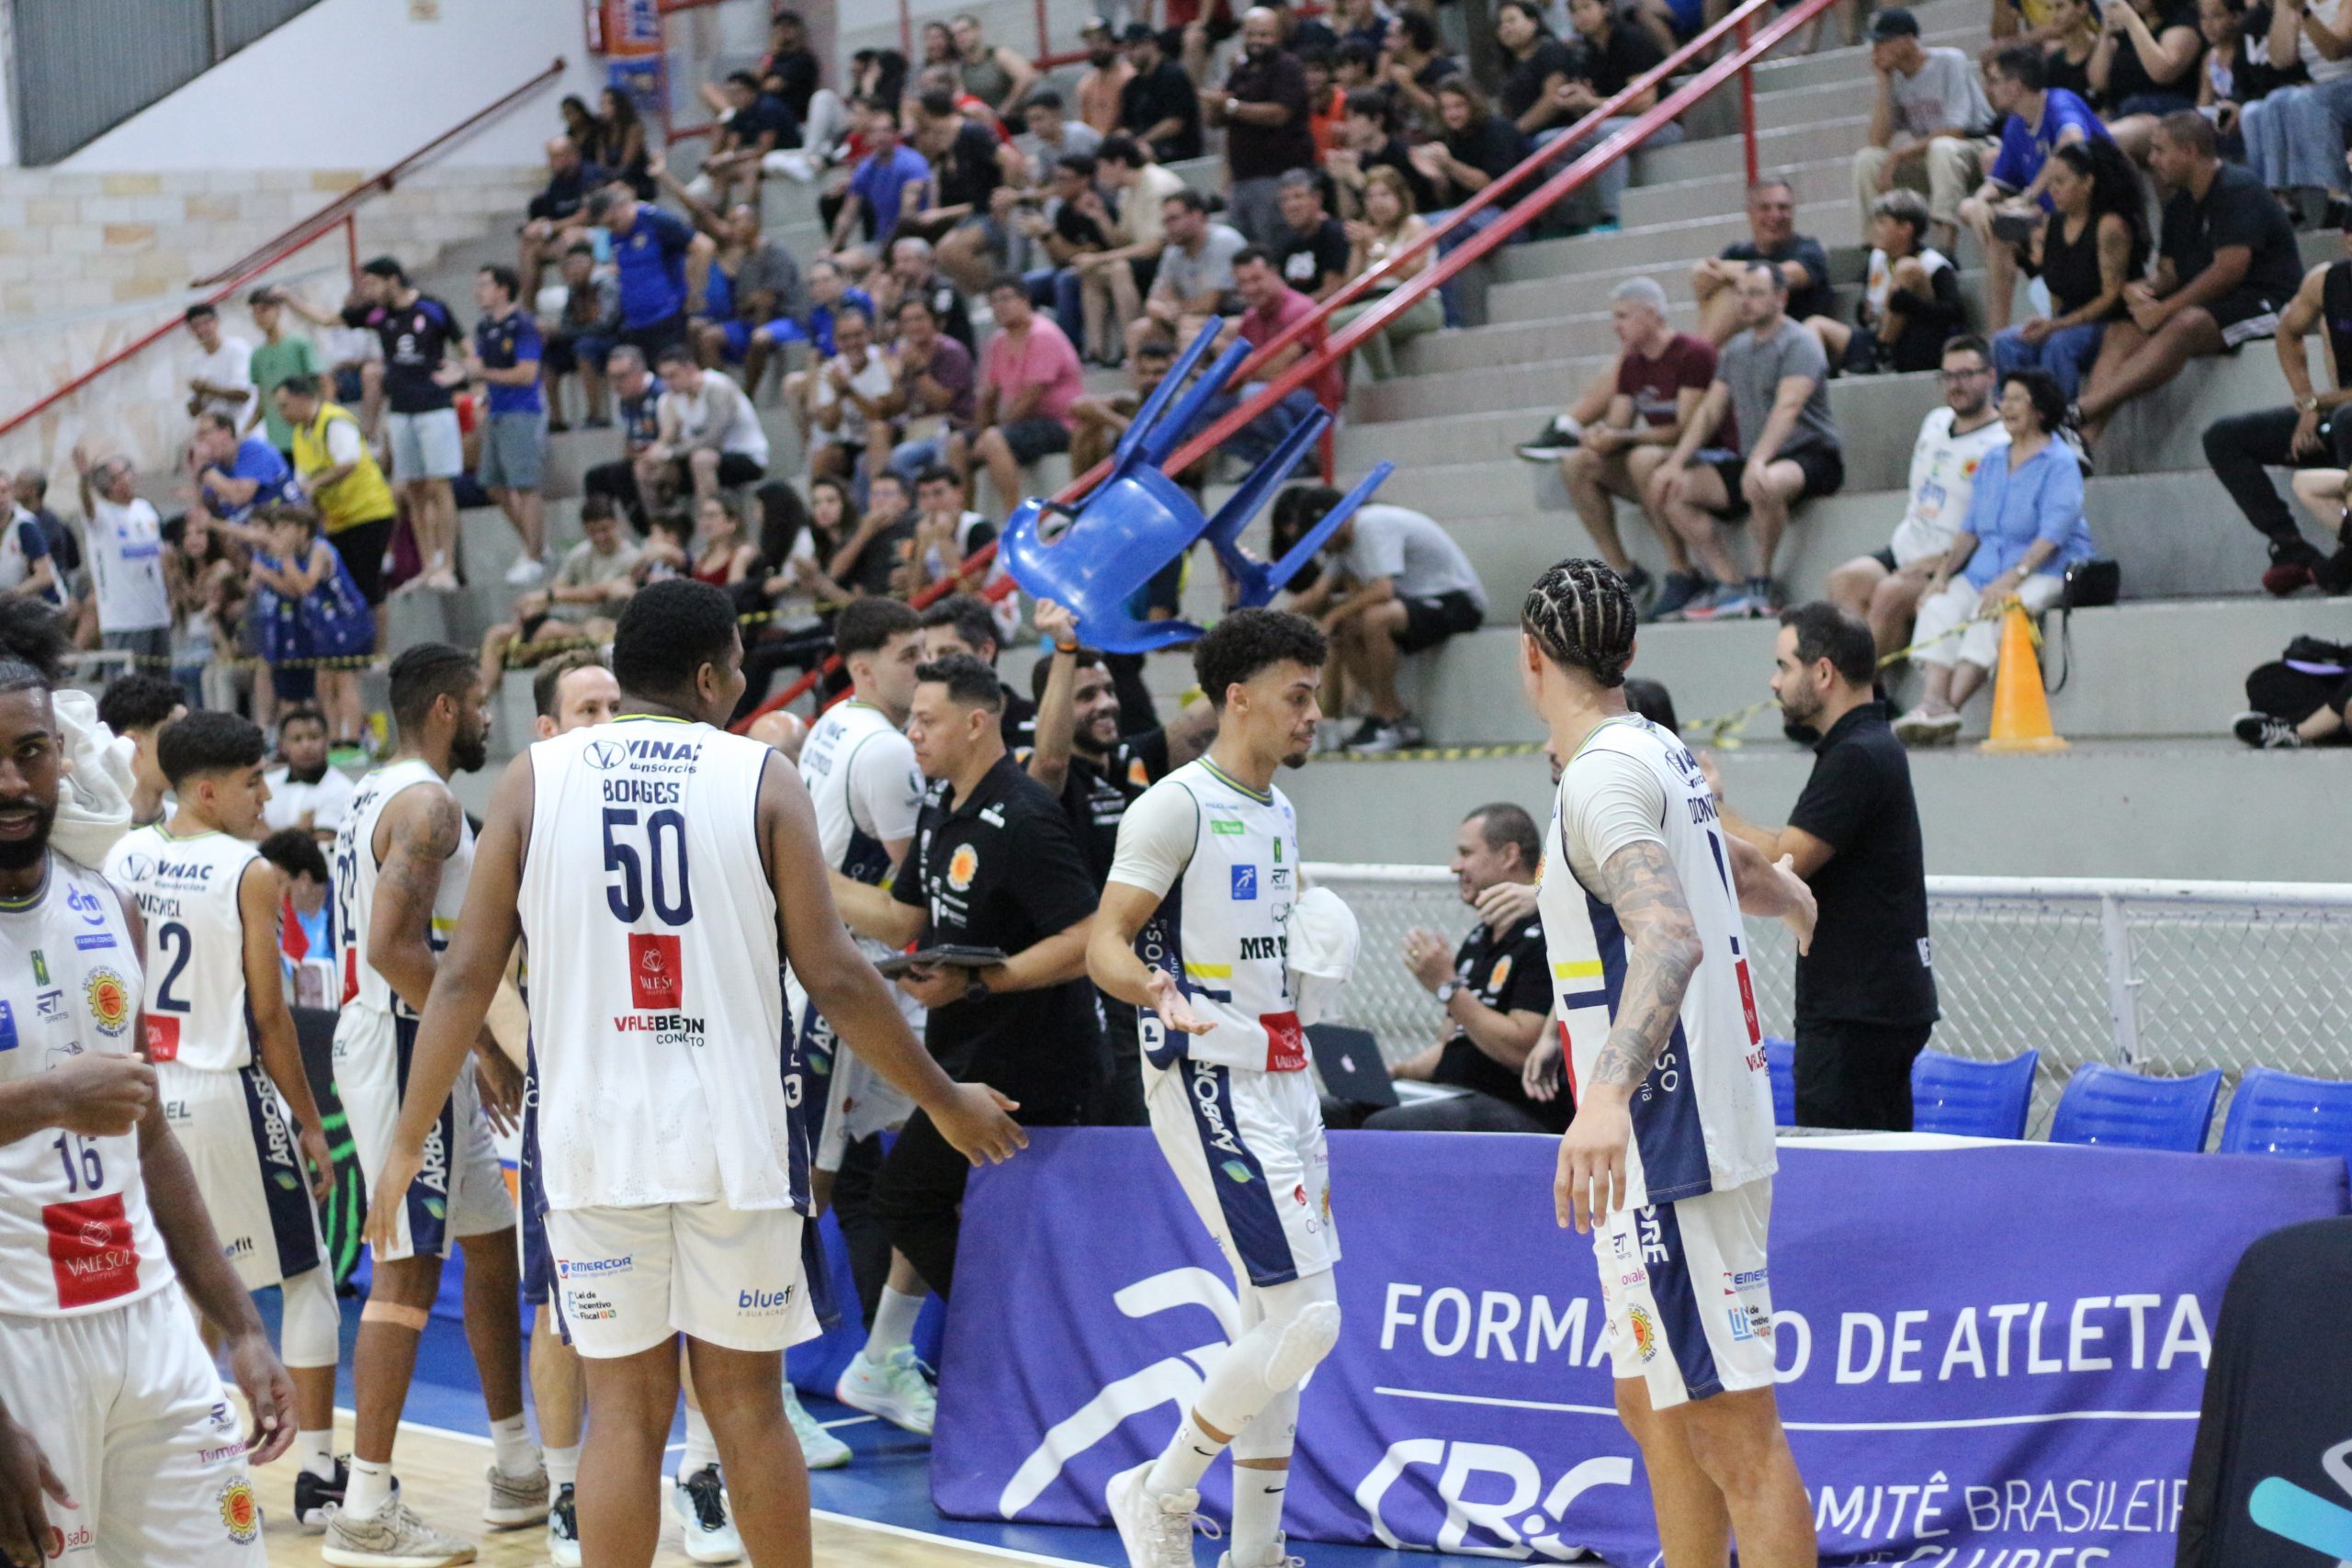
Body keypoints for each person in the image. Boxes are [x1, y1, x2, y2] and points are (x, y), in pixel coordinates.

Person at [363, 582, 1023, 1568]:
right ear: (709, 676)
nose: (744, 683)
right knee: (747, 1405)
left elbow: (460, 977)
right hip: (735, 1139)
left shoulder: (532, 780)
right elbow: (838, 974)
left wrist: (407, 1140)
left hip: (591, 1140)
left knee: (624, 1412)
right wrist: (943, 1096)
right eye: (740, 668)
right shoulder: (761, 775)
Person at [1515, 559, 1818, 1568]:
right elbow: (1717, 858)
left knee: (1735, 1435)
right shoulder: (1654, 747)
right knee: (1651, 1401)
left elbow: (1668, 936)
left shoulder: (1598, 774)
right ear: (1630, 650)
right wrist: (1785, 891)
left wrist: (1604, 1096)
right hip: (1673, 1138)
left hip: (1671, 1135)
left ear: (1529, 657)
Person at [0, 656, 298, 1568]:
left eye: (30, 752)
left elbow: (151, 1132)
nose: (11, 782)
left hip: (148, 1313)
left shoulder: (107, 904)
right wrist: (52, 1097)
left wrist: (242, 1325)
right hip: (17, 1336)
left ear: (62, 758)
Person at [1087, 609, 1341, 1568]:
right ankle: (1159, 1488)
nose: (1313, 714)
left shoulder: (1279, 809)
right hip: (1208, 1079)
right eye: (1298, 696)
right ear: (1238, 699)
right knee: (1308, 1318)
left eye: (1314, 695)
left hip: (1286, 1078)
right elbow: (1104, 941)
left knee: (1274, 1325)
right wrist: (1153, 987)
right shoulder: (1176, 805)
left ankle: (1255, 1552)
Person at [323, 645, 542, 1565]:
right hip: (403, 1040)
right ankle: (364, 1507)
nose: (489, 718)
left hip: (414, 1038)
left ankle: (518, 1465)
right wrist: (483, 1043)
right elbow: (392, 947)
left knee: (490, 1244)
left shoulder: (375, 790)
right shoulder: (430, 806)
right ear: (448, 707)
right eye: (481, 702)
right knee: (407, 1270)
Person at [102, 711, 345, 1519]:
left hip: (141, 1094)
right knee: (307, 1278)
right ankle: (320, 1475)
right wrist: (309, 1120)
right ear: (207, 790)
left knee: (185, 1289)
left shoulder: (122, 853)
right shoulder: (250, 870)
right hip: (221, 1090)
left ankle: (190, 1469)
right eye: (252, 781)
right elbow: (271, 1017)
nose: (265, 795)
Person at [821, 653, 1101, 1304]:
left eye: (927, 721)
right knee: (939, 1205)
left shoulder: (1025, 816)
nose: (912, 734)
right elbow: (903, 918)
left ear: (976, 723)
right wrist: (804, 870)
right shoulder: (942, 804)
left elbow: (1088, 940)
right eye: (911, 721)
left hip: (1030, 1067)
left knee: (906, 1197)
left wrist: (977, 984)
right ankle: (992, 1335)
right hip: (967, 1050)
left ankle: (1012, 1330)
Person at [786, 599, 939, 1442]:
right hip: (834, 983)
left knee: (925, 1146)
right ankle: (771, 1383)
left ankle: (882, 1354)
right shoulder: (883, 747)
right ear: (862, 667)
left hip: (865, 979)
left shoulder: (833, 724)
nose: (923, 666)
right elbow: (918, 900)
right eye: (908, 655)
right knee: (807, 1184)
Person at [1706, 604, 1938, 1127]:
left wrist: (1706, 804)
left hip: (1858, 1013)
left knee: (1845, 1163)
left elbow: (1783, 860)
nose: (1774, 682)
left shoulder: (1858, 755)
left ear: (1824, 672)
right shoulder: (1863, 747)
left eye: (1784, 666)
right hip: (1867, 1006)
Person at [1026, 600, 1217, 1126]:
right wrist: (1064, 646)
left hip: (1158, 970)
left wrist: (1238, 623)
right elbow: (1051, 759)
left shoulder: (1137, 758)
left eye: (1109, 690)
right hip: (1090, 980)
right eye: (1086, 696)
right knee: (1124, 1115)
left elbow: (1212, 714)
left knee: (1174, 1114)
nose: (1106, 704)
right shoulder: (1046, 779)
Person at [1894, 368, 2098, 743]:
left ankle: (1948, 709)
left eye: (2017, 399)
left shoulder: (2060, 462)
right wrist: (1941, 577)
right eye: (2004, 399)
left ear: (2040, 410)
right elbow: (1970, 528)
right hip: (1985, 570)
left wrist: (2012, 578)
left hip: (2044, 570)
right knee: (1938, 605)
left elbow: (2053, 533)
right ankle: (1931, 702)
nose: (2006, 407)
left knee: (1996, 611)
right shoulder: (1991, 460)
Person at [2075, 112, 2302, 447]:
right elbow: (2169, 272)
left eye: (2160, 150)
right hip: (2213, 303)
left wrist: (2164, 310)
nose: (2152, 160)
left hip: (2265, 300)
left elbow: (2229, 272)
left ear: (2190, 151)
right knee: (2122, 331)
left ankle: (2084, 408)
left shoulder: (2237, 190)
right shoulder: (2179, 203)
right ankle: (2084, 440)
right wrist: (2145, 290)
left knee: (2185, 323)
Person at [1651, 262, 1846, 619]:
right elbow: (1710, 410)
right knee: (1670, 490)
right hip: (1755, 456)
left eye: (1755, 293)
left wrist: (1758, 460)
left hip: (1811, 455)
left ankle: (1762, 580)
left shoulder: (1800, 342)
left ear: (1780, 298)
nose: (1744, 301)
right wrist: (1675, 463)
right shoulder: (1736, 349)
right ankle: (1730, 582)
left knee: (1763, 482)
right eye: (1740, 293)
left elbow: (1788, 407)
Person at [1521, 276, 1721, 616]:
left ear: (1652, 313)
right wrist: (1598, 436)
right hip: (1659, 457)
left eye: (1623, 316)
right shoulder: (1631, 362)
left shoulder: (1692, 353)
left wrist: (1624, 438)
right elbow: (1619, 423)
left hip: (1705, 457)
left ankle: (1682, 570)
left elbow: (1687, 429)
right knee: (1578, 463)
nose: (1616, 325)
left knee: (1643, 459)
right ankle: (1625, 572)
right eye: (1614, 317)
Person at [1368, 803, 1565, 1132]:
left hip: (1519, 1106)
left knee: (1386, 1127)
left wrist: (1448, 986)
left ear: (1509, 855)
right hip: (1457, 1096)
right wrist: (1399, 1072)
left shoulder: (1546, 935)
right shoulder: (1478, 939)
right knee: (1336, 1111)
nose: (1454, 866)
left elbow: (1522, 1051)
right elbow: (1455, 1042)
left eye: (1466, 853)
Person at [1827, 335, 2008, 656]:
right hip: (1907, 546)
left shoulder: (2002, 442)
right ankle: (1867, 676)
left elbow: (1995, 524)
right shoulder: (1935, 421)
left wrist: (1940, 564)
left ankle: (1860, 683)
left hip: (1956, 559)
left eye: (1966, 374)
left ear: (1991, 376)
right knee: (1844, 581)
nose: (1956, 385)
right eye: (1948, 376)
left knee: (1890, 594)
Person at [1273, 487, 1487, 751]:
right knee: (1345, 629)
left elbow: (1383, 590)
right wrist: (1272, 623)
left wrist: (1333, 615)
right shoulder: (1341, 545)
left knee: (1375, 618)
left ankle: (1386, 716)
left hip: (1456, 600)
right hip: (1415, 603)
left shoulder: (1372, 526)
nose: (1322, 547)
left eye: (1322, 538)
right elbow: (1317, 594)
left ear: (1340, 521)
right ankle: (1394, 716)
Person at [2205, 214, 2352, 593]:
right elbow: (2287, 331)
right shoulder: (2326, 282)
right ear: (2347, 241)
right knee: (2224, 438)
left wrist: (2316, 403)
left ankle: (2347, 554)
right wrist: (2305, 400)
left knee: (2347, 419)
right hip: (2336, 419)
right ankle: (2291, 546)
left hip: (2343, 418)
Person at [1988, 136, 2149, 405]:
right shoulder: (2054, 223)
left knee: (2059, 345)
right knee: (2006, 342)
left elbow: (2112, 296)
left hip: (2106, 322)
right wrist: (2050, 322)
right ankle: (2010, 415)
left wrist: (2057, 326)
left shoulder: (2109, 226)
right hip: (2067, 319)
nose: (2053, 190)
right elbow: (2056, 285)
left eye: (2061, 182)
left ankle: (2057, 419)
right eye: (2051, 182)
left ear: (2087, 182)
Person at [1958, 46, 2109, 333]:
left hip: (2098, 209)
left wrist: (2029, 196)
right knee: (1983, 219)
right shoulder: (2015, 125)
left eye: (1994, 80)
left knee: (2007, 226)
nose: (1988, 89)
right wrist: (1979, 202)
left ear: (2015, 86)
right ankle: (1996, 337)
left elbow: (2072, 141)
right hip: (2052, 219)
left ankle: (2053, 324)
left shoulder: (2060, 102)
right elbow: (1997, 182)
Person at [346, 256, 465, 592]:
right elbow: (332, 319)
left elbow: (466, 347)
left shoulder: (432, 308)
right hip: (400, 409)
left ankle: (448, 564)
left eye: (373, 282)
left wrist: (463, 371)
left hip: (434, 407)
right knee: (413, 489)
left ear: (393, 279)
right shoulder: (379, 315)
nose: (369, 290)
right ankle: (429, 565)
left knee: (439, 485)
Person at [1853, 7, 2000, 252]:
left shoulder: (1949, 61)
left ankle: (1946, 245)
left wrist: (1899, 154)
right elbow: (1877, 140)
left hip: (1977, 149)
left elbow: (1956, 130)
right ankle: (1875, 247)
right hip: (1931, 156)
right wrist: (1884, 82)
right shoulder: (1895, 78)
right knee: (1867, 159)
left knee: (1942, 148)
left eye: (1883, 41)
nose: (1876, 49)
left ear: (1908, 39)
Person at [1807, 188, 1967, 376]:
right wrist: (1864, 312)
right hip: (1874, 338)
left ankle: (1884, 354)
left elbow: (1955, 314)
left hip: (1916, 343)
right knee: (1815, 324)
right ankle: (1815, 381)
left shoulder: (1934, 264)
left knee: (1907, 268)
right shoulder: (1877, 258)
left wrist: (1910, 304)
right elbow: (1868, 308)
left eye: (1882, 222)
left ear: (1905, 229)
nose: (1875, 228)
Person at [1551, 0, 1679, 231]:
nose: (1581, 15)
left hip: (1662, 123)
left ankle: (1614, 216)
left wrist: (1589, 102)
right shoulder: (1586, 51)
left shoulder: (1630, 38)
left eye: (1587, 7)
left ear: (1605, 8)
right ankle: (1569, 223)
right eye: (1575, 11)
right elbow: (1594, 105)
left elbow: (1644, 102)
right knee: (1550, 142)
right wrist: (1574, 101)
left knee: (1606, 134)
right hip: (1616, 122)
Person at [966, 276, 1085, 511]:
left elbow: (1030, 397)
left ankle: (1014, 516)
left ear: (1025, 300)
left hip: (1061, 423)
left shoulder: (1043, 335)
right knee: (958, 444)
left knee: (993, 439)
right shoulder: (997, 341)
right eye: (994, 301)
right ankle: (965, 517)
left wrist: (991, 433)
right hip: (1026, 425)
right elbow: (989, 395)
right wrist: (979, 432)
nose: (999, 306)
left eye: (1005, 299)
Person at [466, 265, 549, 585]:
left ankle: (534, 555)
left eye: (485, 285)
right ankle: (534, 544)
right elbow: (481, 370)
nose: (478, 292)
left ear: (503, 289)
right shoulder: (485, 326)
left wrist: (481, 374)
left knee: (525, 486)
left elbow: (527, 374)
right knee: (492, 483)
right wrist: (480, 393)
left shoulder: (522, 325)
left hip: (522, 412)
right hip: (497, 411)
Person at [1209, 7, 1317, 245]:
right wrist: (1215, 104)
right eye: (1251, 34)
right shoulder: (1241, 71)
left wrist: (1230, 106)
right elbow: (1216, 121)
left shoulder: (1287, 66)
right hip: (1241, 178)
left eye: (1264, 35)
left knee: (1274, 246)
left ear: (1278, 36)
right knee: (1244, 250)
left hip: (1277, 176)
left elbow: (1279, 113)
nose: (1256, 41)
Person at [1688, 178, 1836, 347]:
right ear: (1750, 212)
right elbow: (1705, 276)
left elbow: (1785, 275)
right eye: (1765, 208)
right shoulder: (1737, 253)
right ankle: (1700, 355)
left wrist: (1727, 269)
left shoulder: (1808, 249)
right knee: (1707, 281)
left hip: (1792, 345)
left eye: (1783, 207)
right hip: (1747, 344)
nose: (1775, 215)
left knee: (1732, 296)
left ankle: (1698, 357)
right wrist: (1702, 271)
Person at [2238, 0, 2352, 220]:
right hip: (2320, 88)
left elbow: (2335, 50)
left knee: (2306, 100)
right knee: (2261, 108)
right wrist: (2285, 8)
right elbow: (2281, 60)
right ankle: (2277, 198)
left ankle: (2335, 195)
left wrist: (2304, 12)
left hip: (2347, 82)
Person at [1326, 165, 1439, 379]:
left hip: (1418, 303)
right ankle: (1348, 391)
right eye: (1370, 197)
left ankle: (1384, 384)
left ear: (1400, 197)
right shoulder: (1367, 233)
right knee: (1342, 320)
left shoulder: (1414, 225)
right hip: (1377, 302)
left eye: (1384, 195)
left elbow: (1412, 271)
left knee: (1361, 320)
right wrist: (1359, 248)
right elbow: (1351, 286)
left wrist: (1374, 247)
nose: (1377, 203)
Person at [1079, 136, 1188, 352]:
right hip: (1143, 258)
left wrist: (1098, 258)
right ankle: (1096, 350)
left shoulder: (1157, 184)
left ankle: (1133, 347)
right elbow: (1123, 242)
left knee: (1118, 269)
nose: (1099, 175)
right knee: (1092, 274)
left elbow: (1154, 246)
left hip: (1172, 255)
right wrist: (1101, 217)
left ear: (1119, 163)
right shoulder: (1127, 192)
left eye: (1102, 167)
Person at [73, 446, 173, 671]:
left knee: (161, 685)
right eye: (125, 472)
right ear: (112, 484)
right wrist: (84, 480)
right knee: (129, 686)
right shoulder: (101, 515)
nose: (132, 476)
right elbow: (87, 507)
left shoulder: (145, 509)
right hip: (124, 620)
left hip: (157, 615)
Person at [639, 344, 771, 509]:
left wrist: (669, 453)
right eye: (664, 378)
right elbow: (667, 438)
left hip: (743, 455)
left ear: (691, 369)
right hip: (700, 457)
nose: (668, 383)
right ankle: (660, 520)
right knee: (645, 468)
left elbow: (713, 439)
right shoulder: (670, 399)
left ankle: (710, 515)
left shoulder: (718, 387)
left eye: (673, 376)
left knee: (701, 459)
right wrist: (653, 455)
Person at [587, 185, 709, 360]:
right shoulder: (616, 234)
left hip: (666, 314)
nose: (612, 229)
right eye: (606, 226)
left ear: (622, 206)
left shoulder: (655, 221)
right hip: (635, 319)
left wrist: (694, 293)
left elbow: (703, 247)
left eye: (613, 222)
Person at [1126, 188, 1249, 359]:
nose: (1168, 227)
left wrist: (1173, 309)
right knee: (1138, 330)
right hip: (1186, 319)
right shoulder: (1173, 252)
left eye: (1174, 219)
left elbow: (1210, 304)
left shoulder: (1224, 241)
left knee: (1188, 331)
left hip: (1228, 317)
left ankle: (1191, 377)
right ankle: (1141, 377)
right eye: (1165, 221)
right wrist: (1162, 309)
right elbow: (1155, 300)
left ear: (1197, 215)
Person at [2088, 0, 2207, 156]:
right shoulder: (2128, 25)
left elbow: (2163, 72)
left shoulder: (2183, 21)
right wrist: (2105, 33)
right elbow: (2098, 82)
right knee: (2075, 136)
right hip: (2122, 110)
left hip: (2166, 113)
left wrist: (2132, 22)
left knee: (2107, 139)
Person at [919, 592, 1036, 741]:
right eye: (928, 656)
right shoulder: (920, 735)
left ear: (986, 651)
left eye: (947, 652)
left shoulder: (1040, 726)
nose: (933, 666)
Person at [885, 293, 978, 480]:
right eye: (907, 321)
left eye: (919, 318)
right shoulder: (902, 354)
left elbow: (943, 402)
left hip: (951, 428)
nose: (914, 326)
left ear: (933, 320)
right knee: (867, 457)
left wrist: (919, 371)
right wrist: (894, 378)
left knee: (901, 458)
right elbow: (894, 407)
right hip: (913, 429)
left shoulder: (952, 351)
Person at [807, 304, 898, 484]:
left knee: (877, 430)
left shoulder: (881, 359)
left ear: (869, 334)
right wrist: (838, 393)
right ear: (835, 341)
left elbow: (879, 415)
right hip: (848, 442)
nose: (852, 343)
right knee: (822, 456)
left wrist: (848, 390)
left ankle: (880, 494)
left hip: (885, 437)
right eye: (845, 337)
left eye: (857, 335)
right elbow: (829, 425)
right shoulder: (830, 370)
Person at [829, 99, 932, 252]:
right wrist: (831, 250)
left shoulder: (911, 162)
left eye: (886, 131)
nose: (880, 137)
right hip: (881, 241)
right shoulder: (866, 168)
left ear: (895, 133)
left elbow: (907, 214)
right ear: (867, 136)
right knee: (831, 264)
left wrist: (887, 254)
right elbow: (848, 214)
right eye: (874, 132)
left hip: (912, 240)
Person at [516, 135, 611, 299]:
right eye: (549, 157)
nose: (550, 163)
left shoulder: (590, 175)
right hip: (564, 234)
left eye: (555, 157)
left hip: (598, 232)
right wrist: (537, 226)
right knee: (530, 245)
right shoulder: (557, 182)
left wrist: (550, 227)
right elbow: (552, 216)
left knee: (568, 238)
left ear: (572, 155)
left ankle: (575, 299)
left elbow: (587, 217)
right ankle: (528, 308)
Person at [581, 346, 663, 529]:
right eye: (612, 377)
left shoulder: (661, 393)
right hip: (639, 455)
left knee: (622, 474)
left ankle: (648, 530)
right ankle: (601, 531)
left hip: (664, 457)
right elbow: (630, 437)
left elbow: (672, 435)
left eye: (622, 376)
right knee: (595, 477)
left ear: (640, 372)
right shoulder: (624, 400)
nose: (616, 384)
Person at [96, 672, 185, 829]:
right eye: (174, 734)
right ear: (133, 743)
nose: (188, 745)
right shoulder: (93, 831)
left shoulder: (192, 829)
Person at [247, 287, 325, 457]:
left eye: (264, 310)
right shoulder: (257, 355)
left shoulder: (300, 343)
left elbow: (321, 382)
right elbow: (262, 400)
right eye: (255, 313)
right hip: (277, 440)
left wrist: (323, 424)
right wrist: (245, 432)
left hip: (307, 435)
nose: (260, 317)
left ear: (278, 310)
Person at [261, 704, 357, 840]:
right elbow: (249, 832)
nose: (306, 745)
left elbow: (322, 840)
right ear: (283, 745)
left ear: (327, 740)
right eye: (297, 739)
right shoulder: (267, 784)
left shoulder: (343, 790)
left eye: (313, 737)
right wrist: (299, 831)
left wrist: (268, 834)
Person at [1493, 0, 1579, 141]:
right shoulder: (1509, 67)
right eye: (1500, 24)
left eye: (1511, 20)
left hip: (1556, 133)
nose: (1505, 27)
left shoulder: (1550, 50)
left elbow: (1554, 99)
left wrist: (1515, 132)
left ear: (1533, 22)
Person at [1119, 22, 1204, 163]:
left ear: (1151, 45)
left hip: (1176, 148)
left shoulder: (1172, 75)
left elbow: (1175, 123)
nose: (1129, 54)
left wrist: (1140, 141)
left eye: (1134, 47)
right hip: (1143, 144)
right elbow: (1127, 124)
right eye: (1125, 49)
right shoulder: (1132, 86)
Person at [1272, 168, 1350, 302]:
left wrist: (1295, 309)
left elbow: (1333, 291)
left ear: (1317, 198)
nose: (1292, 205)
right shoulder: (1285, 242)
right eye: (1285, 199)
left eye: (1298, 196)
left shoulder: (1335, 234)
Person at [952, 11, 1042, 117]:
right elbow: (961, 97)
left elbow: (1028, 77)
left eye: (964, 31)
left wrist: (1005, 109)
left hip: (1013, 118)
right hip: (984, 121)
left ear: (977, 31)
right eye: (955, 35)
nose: (960, 37)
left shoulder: (999, 55)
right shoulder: (959, 68)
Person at [184, 301, 257, 431]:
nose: (202, 330)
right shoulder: (194, 361)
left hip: (244, 427)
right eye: (196, 326)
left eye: (206, 323)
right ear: (190, 330)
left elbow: (244, 394)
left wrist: (207, 389)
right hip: (216, 434)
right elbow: (193, 411)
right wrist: (199, 394)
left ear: (216, 322)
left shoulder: (237, 348)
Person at [1077, 18, 1135, 133]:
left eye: (1101, 40)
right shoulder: (1086, 83)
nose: (1096, 47)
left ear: (1113, 43)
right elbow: (1085, 123)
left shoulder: (1129, 76)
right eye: (1090, 42)